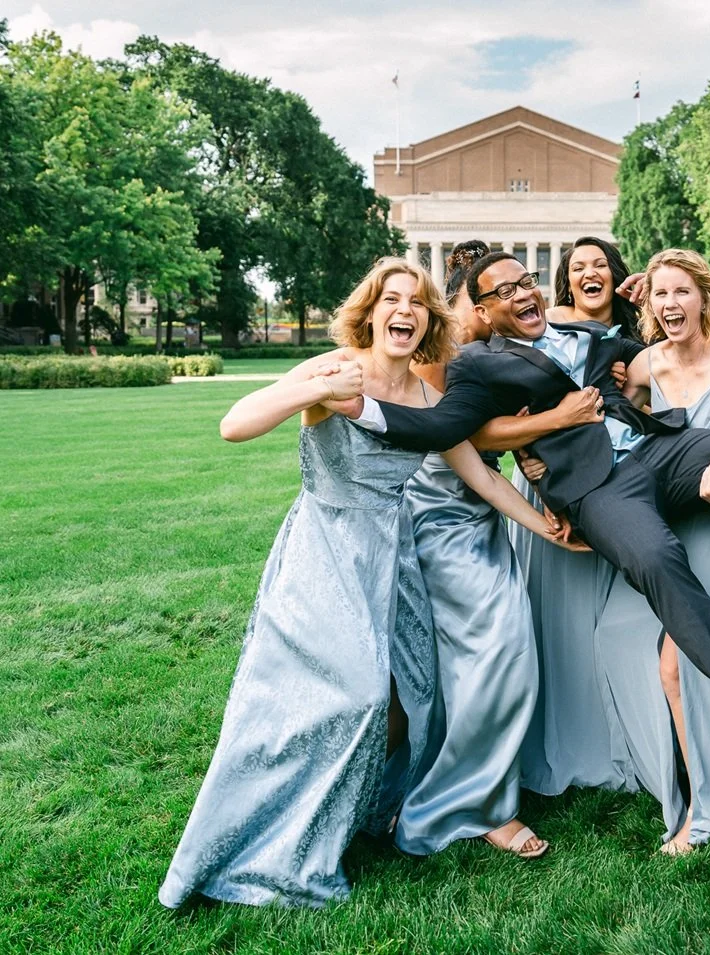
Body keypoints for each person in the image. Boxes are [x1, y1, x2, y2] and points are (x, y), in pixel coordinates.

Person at [159, 257, 568, 908]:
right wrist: (315, 389)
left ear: (430, 319)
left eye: (417, 302)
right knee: (348, 698)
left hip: (392, 555)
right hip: (325, 550)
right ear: (371, 312)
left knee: (408, 698)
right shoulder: (336, 367)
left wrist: (543, 524)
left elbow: (481, 476)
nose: (403, 310)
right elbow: (233, 424)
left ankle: (360, 811)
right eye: (391, 299)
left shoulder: (430, 398)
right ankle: (275, 842)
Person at [335, 251, 710, 769]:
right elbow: (448, 428)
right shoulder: (477, 364)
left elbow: (669, 348)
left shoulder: (589, 336)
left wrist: (655, 294)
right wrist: (365, 408)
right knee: (656, 559)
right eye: (504, 292)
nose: (524, 294)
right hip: (595, 489)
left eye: (526, 282)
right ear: (485, 312)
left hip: (658, 449)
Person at [582, 248, 710, 854]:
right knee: (615, 632)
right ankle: (672, 777)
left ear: (704, 298)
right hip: (666, 528)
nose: (669, 305)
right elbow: (617, 417)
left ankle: (708, 810)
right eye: (659, 294)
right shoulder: (644, 366)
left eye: (681, 292)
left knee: (680, 665)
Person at [395, 241, 552, 860]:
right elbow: (463, 433)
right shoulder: (440, 351)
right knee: (498, 648)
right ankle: (479, 804)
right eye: (501, 293)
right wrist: (554, 421)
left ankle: (478, 784)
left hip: (483, 514)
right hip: (439, 517)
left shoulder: (494, 348)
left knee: (483, 656)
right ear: (476, 302)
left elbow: (500, 441)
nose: (518, 300)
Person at [510, 237, 642, 795]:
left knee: (614, 614)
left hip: (619, 481)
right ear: (567, 278)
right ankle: (563, 735)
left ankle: (626, 736)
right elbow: (507, 401)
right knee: (559, 611)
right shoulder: (542, 328)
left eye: (601, 265)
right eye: (579, 266)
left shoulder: (638, 341)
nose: (591, 273)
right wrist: (526, 455)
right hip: (550, 477)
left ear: (616, 275)